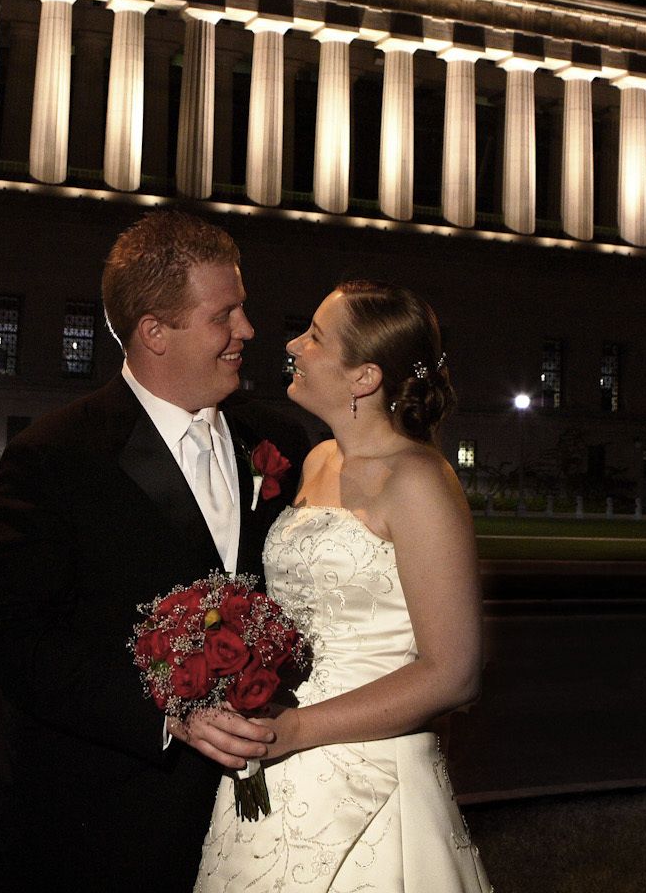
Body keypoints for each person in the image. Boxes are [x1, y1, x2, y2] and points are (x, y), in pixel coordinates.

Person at [0, 210, 311, 892]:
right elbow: (4, 633)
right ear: (155, 331)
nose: (247, 330)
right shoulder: (56, 456)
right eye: (226, 314)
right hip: (104, 826)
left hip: (269, 820)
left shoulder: (280, 442)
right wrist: (166, 712)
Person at [195, 280, 492, 891]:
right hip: (278, 759)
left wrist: (298, 729)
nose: (293, 345)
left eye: (316, 338)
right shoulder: (319, 459)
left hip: (370, 769)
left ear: (364, 379)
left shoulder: (417, 482)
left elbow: (454, 672)